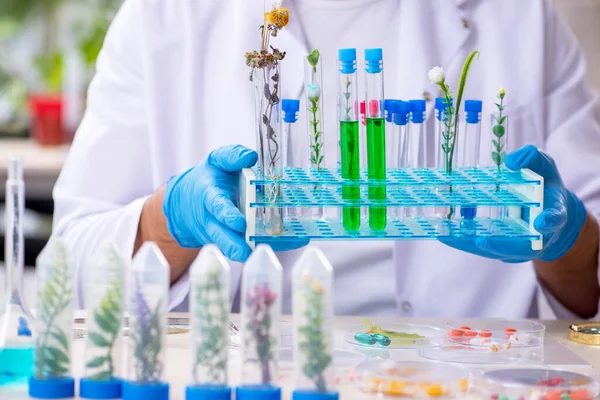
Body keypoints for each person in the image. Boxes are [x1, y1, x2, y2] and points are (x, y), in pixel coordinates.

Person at [52, 0, 600, 319]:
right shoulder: (167, 16)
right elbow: (70, 270)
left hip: (467, 369)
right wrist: (169, 221)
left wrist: (567, 243)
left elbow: (592, 279)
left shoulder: (521, 16)